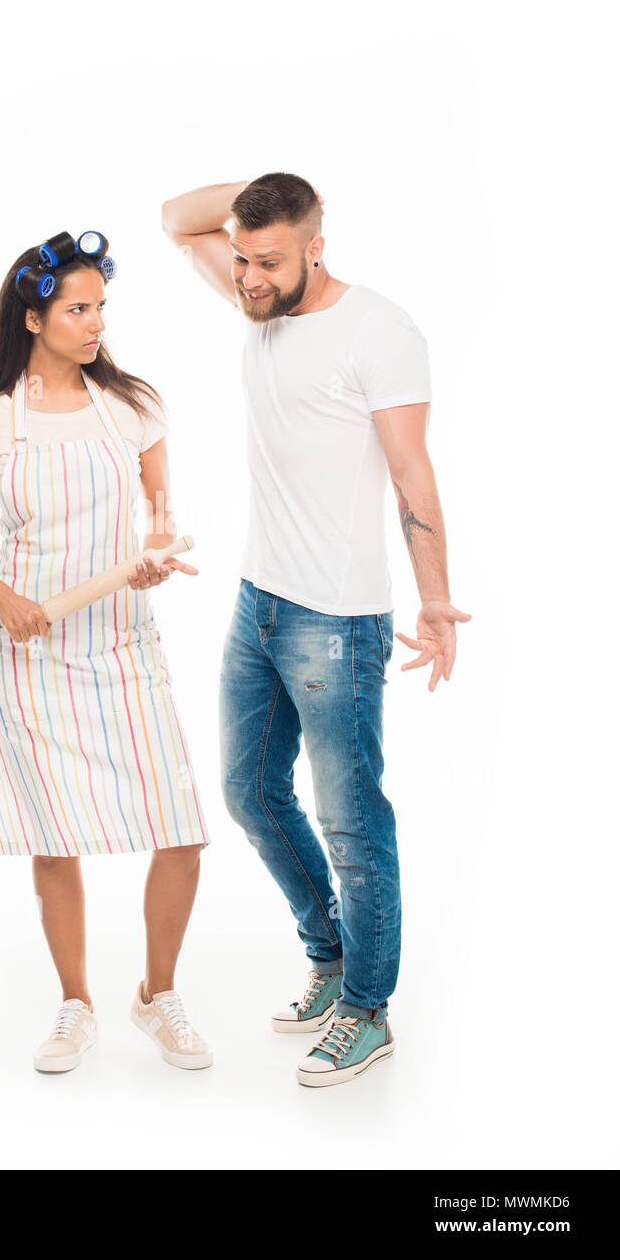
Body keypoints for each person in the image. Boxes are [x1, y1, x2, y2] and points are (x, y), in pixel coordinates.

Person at [162, 175, 471, 1087]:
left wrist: (433, 598)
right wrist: (267, 180)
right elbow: (176, 219)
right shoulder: (260, 302)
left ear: (315, 248)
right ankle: (329, 958)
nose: (247, 278)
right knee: (249, 791)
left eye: (266, 261)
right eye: (243, 259)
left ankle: (367, 1010)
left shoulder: (377, 329)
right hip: (257, 600)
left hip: (336, 618)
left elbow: (412, 473)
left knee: (350, 819)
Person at [0, 229, 212, 1075]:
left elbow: (159, 512)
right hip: (31, 653)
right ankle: (76, 1004)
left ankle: (156, 995)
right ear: (33, 317)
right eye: (77, 309)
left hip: (121, 644)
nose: (95, 324)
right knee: (55, 837)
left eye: (100, 308)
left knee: (180, 829)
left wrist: (155, 555)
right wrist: (5, 598)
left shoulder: (130, 405)